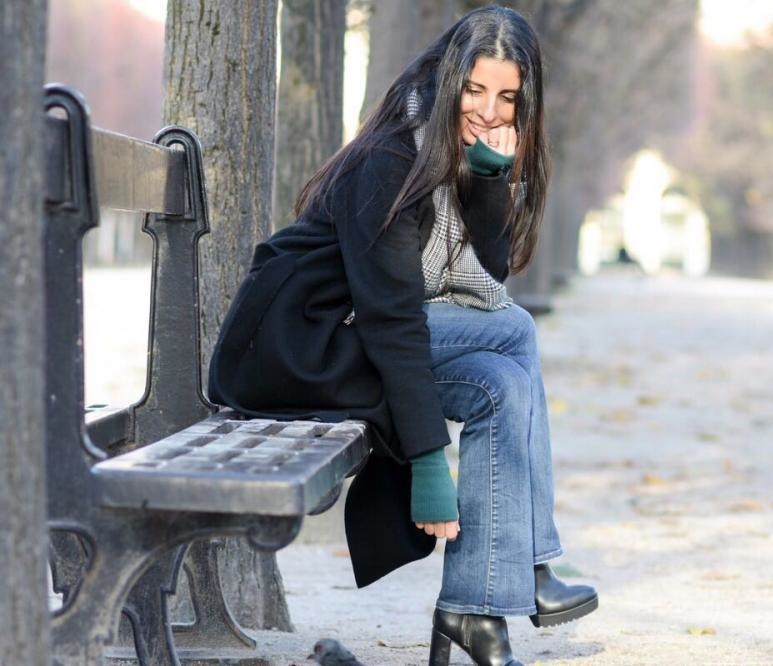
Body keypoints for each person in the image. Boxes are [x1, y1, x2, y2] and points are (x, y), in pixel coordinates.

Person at [207, 6, 597, 665]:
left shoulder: (460, 156)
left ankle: (473, 609)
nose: (488, 111)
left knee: (502, 384)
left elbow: (483, 277)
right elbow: (394, 316)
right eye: (474, 89)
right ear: (449, 79)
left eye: (506, 97)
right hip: (301, 344)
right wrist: (427, 460)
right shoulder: (391, 159)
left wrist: (491, 181)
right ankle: (531, 563)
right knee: (514, 329)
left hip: (361, 332)